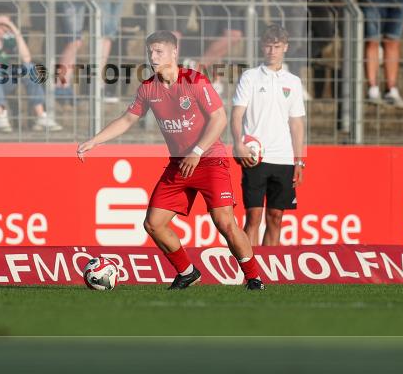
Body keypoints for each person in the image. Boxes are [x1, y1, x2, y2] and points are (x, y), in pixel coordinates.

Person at [77, 31, 265, 291]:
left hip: (208, 160)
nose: (153, 57)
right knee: (153, 224)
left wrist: (197, 151)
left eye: (159, 51)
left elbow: (219, 119)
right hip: (180, 164)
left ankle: (254, 278)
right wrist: (95, 140)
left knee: (224, 223)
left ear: (174, 53)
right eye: (150, 52)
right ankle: (188, 273)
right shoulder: (148, 88)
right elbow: (127, 119)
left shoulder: (195, 81)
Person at [232, 25, 306, 247]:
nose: (272, 51)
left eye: (277, 46)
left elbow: (296, 123)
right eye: (268, 46)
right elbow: (237, 114)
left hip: (283, 158)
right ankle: (250, 270)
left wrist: (299, 160)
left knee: (276, 218)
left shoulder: (293, 81)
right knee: (253, 217)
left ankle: (269, 271)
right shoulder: (250, 77)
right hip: (255, 157)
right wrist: (238, 144)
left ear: (285, 47)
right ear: (262, 46)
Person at [0, 15, 62, 133]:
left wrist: (15, 32)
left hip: (7, 80)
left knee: (29, 67)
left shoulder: (9, 42)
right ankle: (0, 115)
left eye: (5, 26)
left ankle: (41, 115)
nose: (3, 29)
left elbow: (27, 58)